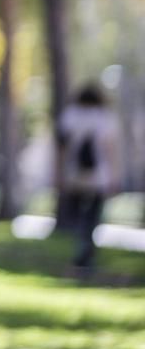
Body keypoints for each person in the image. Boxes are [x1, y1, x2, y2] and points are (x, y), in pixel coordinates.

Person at [57, 81, 122, 271]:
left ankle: (81, 247)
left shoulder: (70, 116)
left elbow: (62, 149)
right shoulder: (106, 118)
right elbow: (112, 152)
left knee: (76, 215)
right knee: (93, 216)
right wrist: (115, 177)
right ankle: (86, 249)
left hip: (74, 174)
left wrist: (60, 174)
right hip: (99, 176)